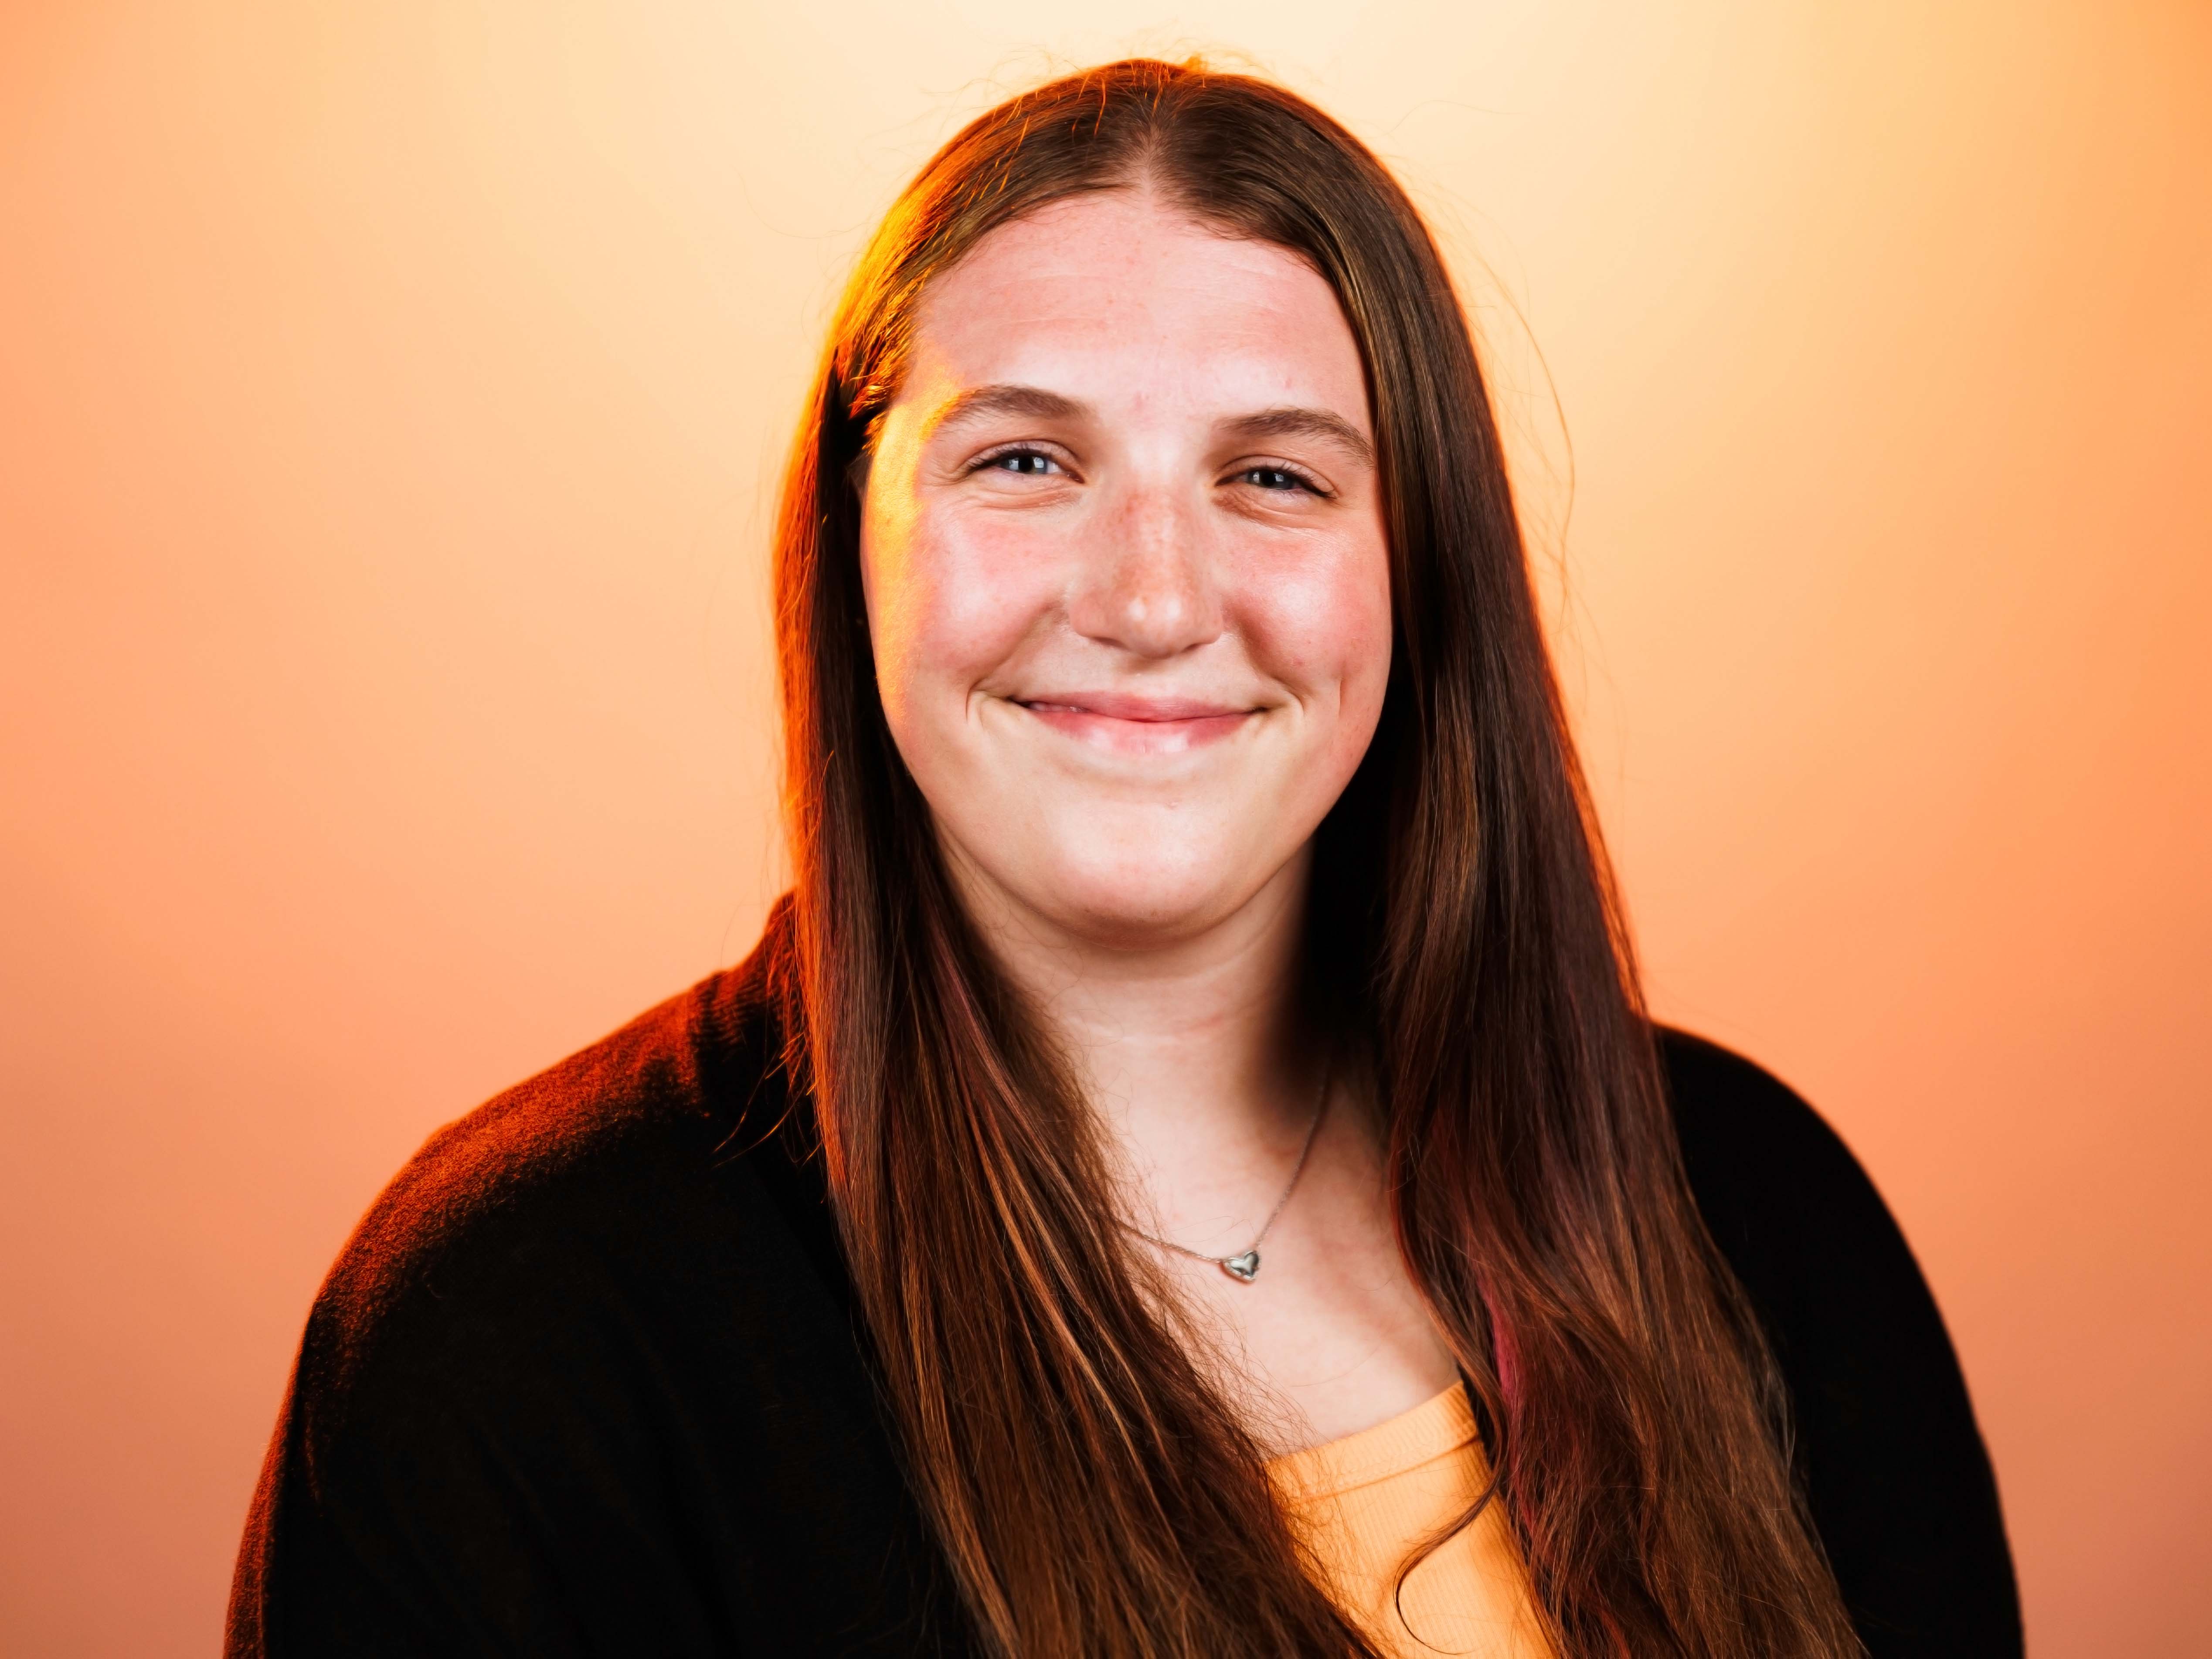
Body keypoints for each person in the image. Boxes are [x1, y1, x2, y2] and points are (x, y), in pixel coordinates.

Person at [227, 59, 2020, 1659]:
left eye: (1278, 478)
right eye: (1023, 458)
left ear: (1423, 568)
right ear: (857, 540)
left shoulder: (1755, 1217)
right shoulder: (526, 1334)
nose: (1154, 599)